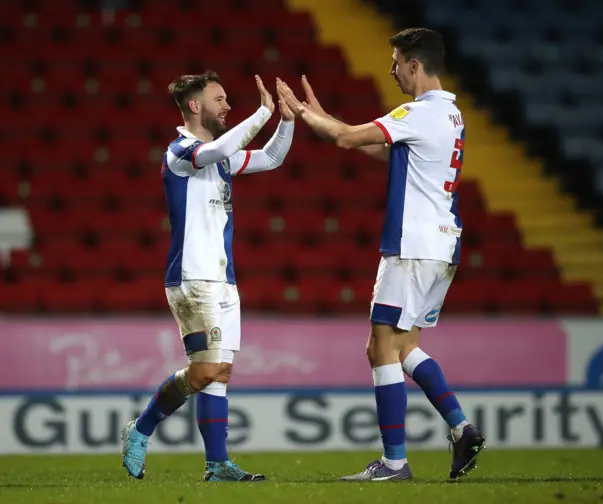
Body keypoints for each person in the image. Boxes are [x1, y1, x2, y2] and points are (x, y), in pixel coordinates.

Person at [277, 28, 485, 481]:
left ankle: (394, 463)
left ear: (415, 64)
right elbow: (387, 153)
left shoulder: (419, 111)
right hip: (442, 246)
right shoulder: (451, 115)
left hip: (411, 247)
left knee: (378, 348)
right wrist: (325, 116)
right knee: (406, 347)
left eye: (396, 62)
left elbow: (348, 140)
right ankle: (462, 428)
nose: (391, 70)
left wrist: (308, 117)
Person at [121, 72, 295, 482]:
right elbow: (217, 148)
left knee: (220, 373)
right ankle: (141, 428)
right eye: (219, 99)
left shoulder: (220, 160)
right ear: (195, 106)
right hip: (192, 278)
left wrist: (285, 120)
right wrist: (262, 112)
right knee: (204, 373)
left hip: (223, 281)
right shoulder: (181, 152)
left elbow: (270, 158)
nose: (227, 106)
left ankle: (217, 466)